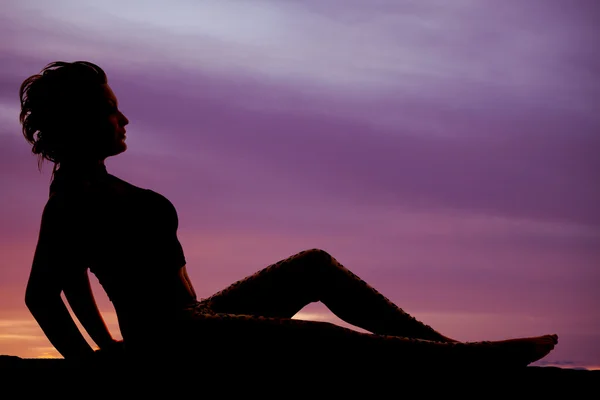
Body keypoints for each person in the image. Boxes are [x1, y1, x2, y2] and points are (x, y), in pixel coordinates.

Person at [19, 61, 558, 370]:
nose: (125, 117)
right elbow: (45, 292)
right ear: (83, 117)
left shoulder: (94, 188)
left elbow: (72, 283)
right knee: (324, 339)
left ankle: (450, 351)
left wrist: (103, 346)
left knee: (312, 266)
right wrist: (91, 363)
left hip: (196, 324)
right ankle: (465, 366)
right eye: (112, 108)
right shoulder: (72, 197)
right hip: (174, 341)